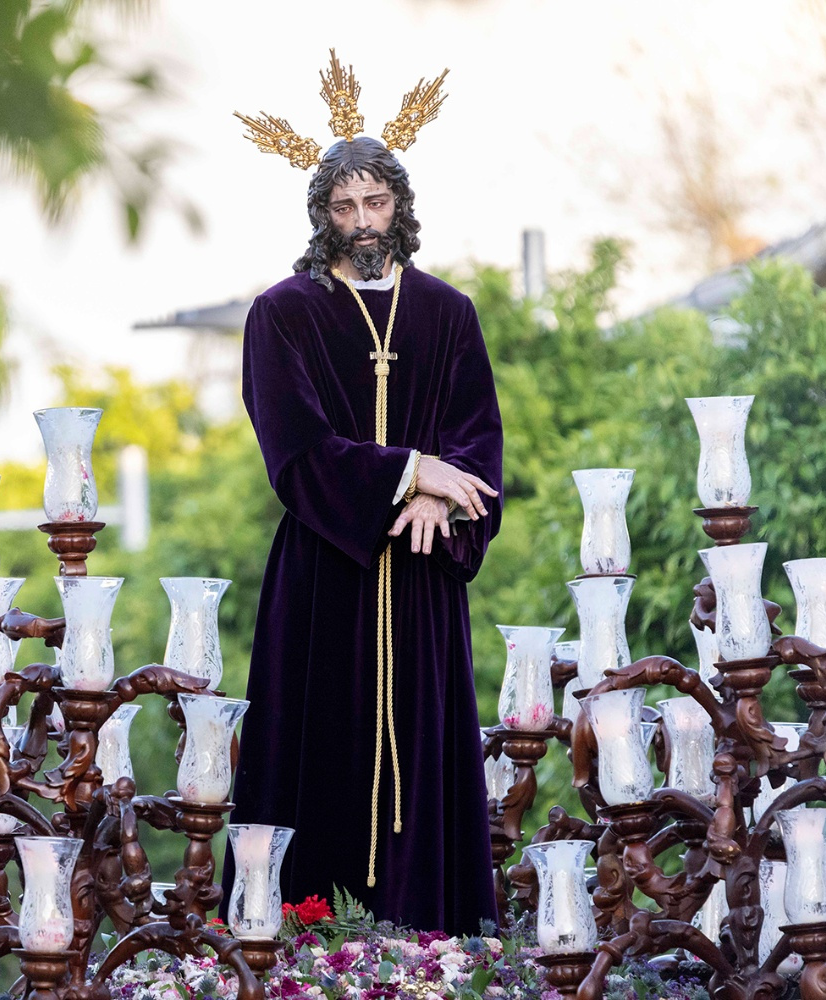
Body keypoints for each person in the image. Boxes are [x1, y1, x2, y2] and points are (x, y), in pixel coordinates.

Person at [227, 57, 502, 935]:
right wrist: (408, 472)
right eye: (343, 208)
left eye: (374, 204)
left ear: (399, 205)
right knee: (317, 756)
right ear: (322, 215)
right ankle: (307, 940)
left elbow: (479, 439)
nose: (360, 223)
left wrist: (441, 499)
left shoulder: (449, 313)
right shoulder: (283, 314)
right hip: (323, 579)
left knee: (424, 759)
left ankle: (433, 948)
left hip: (419, 582)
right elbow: (296, 449)